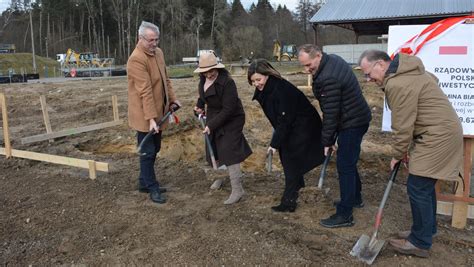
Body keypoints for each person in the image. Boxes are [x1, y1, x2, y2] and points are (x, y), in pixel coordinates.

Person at [358, 50, 463, 258]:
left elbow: (403, 126)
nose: (368, 80)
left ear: (380, 64)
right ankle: (425, 230)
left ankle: (420, 242)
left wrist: (398, 154)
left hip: (437, 136)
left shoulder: (398, 83)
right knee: (424, 185)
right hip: (439, 132)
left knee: (418, 187)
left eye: (369, 74)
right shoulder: (409, 72)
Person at [298, 44, 372, 227]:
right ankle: (355, 198)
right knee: (348, 160)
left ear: (318, 56)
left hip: (352, 122)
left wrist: (327, 140)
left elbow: (330, 113)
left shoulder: (328, 77)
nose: (307, 70)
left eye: (309, 65)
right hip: (355, 117)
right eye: (304, 66)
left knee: (344, 165)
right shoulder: (333, 60)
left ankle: (345, 214)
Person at [248, 59, 325, 212]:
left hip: (305, 125)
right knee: (289, 160)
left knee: (290, 160)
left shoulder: (280, 90)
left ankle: (289, 202)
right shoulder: (267, 89)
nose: (256, 83)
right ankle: (298, 189)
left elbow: (284, 119)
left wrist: (274, 144)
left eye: (259, 79)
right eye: (253, 81)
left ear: (267, 75)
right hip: (292, 124)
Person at [127, 21, 180, 204]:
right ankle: (151, 187)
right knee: (148, 152)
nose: (154, 43)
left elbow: (166, 79)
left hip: (159, 111)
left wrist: (172, 100)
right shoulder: (136, 59)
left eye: (156, 39)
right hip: (144, 115)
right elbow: (145, 91)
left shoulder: (158, 53)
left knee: (155, 148)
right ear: (140, 38)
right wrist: (150, 119)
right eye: (150, 40)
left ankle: (143, 181)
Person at [193, 51, 252, 205]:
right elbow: (202, 97)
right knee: (213, 146)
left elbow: (229, 109)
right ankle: (219, 177)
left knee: (227, 148)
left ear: (217, 68)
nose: (209, 75)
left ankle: (237, 189)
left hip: (232, 117)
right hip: (214, 115)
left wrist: (210, 125)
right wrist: (198, 108)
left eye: (212, 71)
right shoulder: (203, 80)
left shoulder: (227, 83)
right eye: (205, 72)